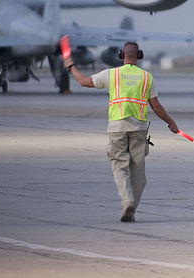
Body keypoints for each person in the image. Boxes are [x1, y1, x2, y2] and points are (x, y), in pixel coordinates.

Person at [63, 41, 179, 222]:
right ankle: (131, 210)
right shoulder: (147, 77)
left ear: (121, 55)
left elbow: (83, 81)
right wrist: (171, 123)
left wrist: (70, 66)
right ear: (139, 56)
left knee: (119, 167)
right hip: (139, 130)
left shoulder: (112, 74)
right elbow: (156, 106)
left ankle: (127, 203)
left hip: (117, 129)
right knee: (139, 175)